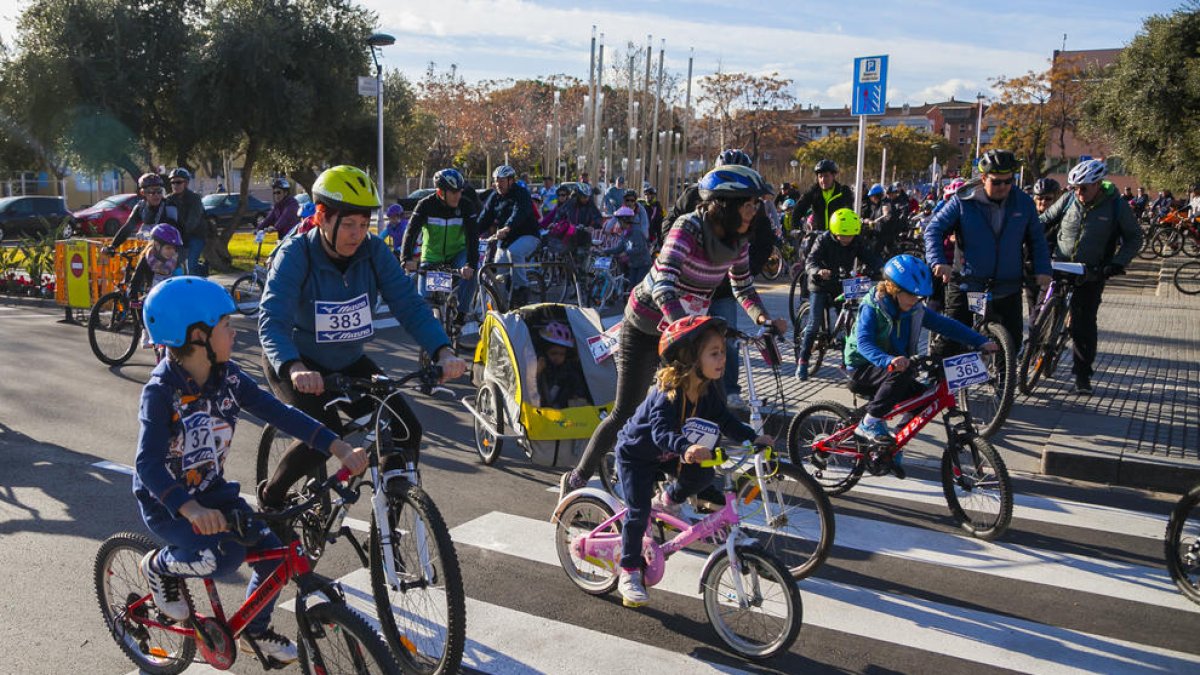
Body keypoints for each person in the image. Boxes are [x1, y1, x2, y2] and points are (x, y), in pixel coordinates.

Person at [133, 276, 369, 664]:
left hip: (212, 493)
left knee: (274, 550)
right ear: (197, 336)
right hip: (168, 504)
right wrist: (190, 510)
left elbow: (277, 412)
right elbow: (147, 464)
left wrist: (336, 445)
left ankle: (254, 632)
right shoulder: (162, 392)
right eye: (226, 326)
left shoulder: (228, 378)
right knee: (223, 557)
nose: (234, 335)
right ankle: (158, 567)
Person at [559, 164, 785, 495]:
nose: (755, 211)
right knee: (627, 409)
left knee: (706, 406)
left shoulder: (739, 240)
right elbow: (664, 282)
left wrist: (764, 320)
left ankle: (693, 490)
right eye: (748, 204)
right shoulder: (688, 227)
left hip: (685, 333)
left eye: (756, 204)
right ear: (725, 203)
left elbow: (744, 287)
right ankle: (577, 478)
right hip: (647, 324)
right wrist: (682, 324)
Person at [257, 165, 467, 509]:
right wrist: (293, 366)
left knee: (406, 430)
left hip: (349, 360)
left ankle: (391, 522)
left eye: (364, 224)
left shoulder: (373, 251)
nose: (358, 234)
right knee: (322, 436)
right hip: (298, 359)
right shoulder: (294, 255)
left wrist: (442, 350)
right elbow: (273, 319)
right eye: (349, 224)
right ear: (322, 218)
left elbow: (409, 305)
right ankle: (272, 497)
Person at [613, 315, 771, 606]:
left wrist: (751, 437)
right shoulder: (668, 392)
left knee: (703, 474)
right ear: (690, 357)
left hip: (668, 455)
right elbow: (661, 432)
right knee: (637, 513)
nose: (722, 358)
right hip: (637, 454)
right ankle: (630, 571)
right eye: (714, 353)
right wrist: (685, 448)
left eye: (723, 351)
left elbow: (724, 420)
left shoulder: (706, 391)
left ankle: (669, 499)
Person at [843, 255, 998, 475]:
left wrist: (979, 341)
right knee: (900, 376)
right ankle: (869, 423)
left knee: (923, 399)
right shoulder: (872, 307)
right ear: (892, 288)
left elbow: (946, 325)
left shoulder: (914, 309)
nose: (916, 300)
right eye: (911, 295)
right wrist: (888, 360)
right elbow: (864, 344)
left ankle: (892, 444)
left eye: (919, 296)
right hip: (864, 365)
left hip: (898, 367)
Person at [924, 149, 1052, 352]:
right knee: (952, 342)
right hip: (968, 283)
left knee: (1011, 343)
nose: (1003, 187)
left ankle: (1003, 382)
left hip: (1007, 285)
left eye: (1008, 181)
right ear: (983, 178)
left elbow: (1037, 239)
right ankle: (938, 380)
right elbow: (933, 230)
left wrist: (1043, 269)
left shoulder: (1024, 203)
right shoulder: (963, 200)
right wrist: (939, 261)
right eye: (997, 181)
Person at [1038, 159, 1142, 394]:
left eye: (1083, 188)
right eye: (1075, 188)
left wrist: (1117, 263)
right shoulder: (1068, 200)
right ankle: (1036, 345)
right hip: (1061, 265)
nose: (1079, 193)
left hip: (1092, 273)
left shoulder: (1116, 206)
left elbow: (1135, 238)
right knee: (1042, 311)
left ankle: (1082, 375)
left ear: (1097, 184)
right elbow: (1043, 221)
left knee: (1083, 325)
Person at [797, 209, 883, 380]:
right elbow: (810, 261)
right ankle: (803, 361)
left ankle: (847, 361)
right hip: (819, 284)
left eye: (851, 235)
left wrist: (882, 270)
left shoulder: (856, 241)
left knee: (850, 323)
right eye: (844, 236)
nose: (847, 239)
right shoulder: (823, 240)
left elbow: (871, 257)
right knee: (814, 324)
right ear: (835, 232)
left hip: (842, 283)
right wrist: (818, 271)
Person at [401, 168, 479, 316]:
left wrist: (471, 264)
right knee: (425, 305)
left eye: (460, 191)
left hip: (458, 254)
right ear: (440, 192)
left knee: (472, 274)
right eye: (453, 192)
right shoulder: (425, 205)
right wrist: (406, 259)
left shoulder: (466, 205)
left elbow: (472, 236)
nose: (458, 196)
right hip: (432, 257)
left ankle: (461, 313)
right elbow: (411, 232)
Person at [477, 165, 539, 307]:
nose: (498, 184)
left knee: (514, 252)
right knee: (497, 274)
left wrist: (507, 227)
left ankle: (521, 289)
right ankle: (502, 306)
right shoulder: (495, 196)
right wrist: (472, 233)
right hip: (505, 240)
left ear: (511, 181)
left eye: (502, 181)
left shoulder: (521, 193)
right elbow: (484, 217)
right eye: (496, 180)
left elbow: (520, 212)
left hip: (527, 235)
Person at [108, 173, 180, 251]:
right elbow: (127, 228)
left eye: (159, 191)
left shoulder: (169, 205)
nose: (156, 195)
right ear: (143, 193)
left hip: (168, 250)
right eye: (152, 192)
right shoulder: (140, 207)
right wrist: (113, 246)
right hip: (149, 249)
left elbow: (173, 230)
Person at [1024, 177, 1064, 315]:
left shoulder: (1062, 219)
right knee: (1032, 307)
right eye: (1039, 198)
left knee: (1042, 310)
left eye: (1048, 199)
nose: (1043, 202)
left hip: (1053, 269)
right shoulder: (1028, 217)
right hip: (1030, 269)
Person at [789, 159, 855, 238]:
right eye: (820, 176)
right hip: (818, 237)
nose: (823, 180)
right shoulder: (813, 191)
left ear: (833, 176)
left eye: (826, 176)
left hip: (838, 236)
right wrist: (794, 228)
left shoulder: (843, 191)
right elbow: (798, 209)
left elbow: (849, 211)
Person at [535, 321, 588, 409]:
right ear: (544, 353)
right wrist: (537, 374)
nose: (557, 358)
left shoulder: (569, 371)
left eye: (561, 354)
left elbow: (578, 388)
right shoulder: (539, 370)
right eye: (553, 353)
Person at [165, 168, 206, 274]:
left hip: (194, 236)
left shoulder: (194, 198)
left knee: (190, 266)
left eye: (178, 182)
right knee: (172, 264)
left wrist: (182, 234)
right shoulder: (168, 199)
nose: (175, 185)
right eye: (173, 182)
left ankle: (198, 281)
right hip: (177, 238)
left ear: (186, 183)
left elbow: (193, 221)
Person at [601, 206, 652, 287]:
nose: (618, 223)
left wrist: (626, 253)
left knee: (637, 288)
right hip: (633, 264)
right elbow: (619, 248)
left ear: (625, 220)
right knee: (631, 287)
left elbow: (640, 248)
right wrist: (605, 250)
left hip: (643, 264)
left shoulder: (636, 232)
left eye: (619, 220)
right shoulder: (624, 233)